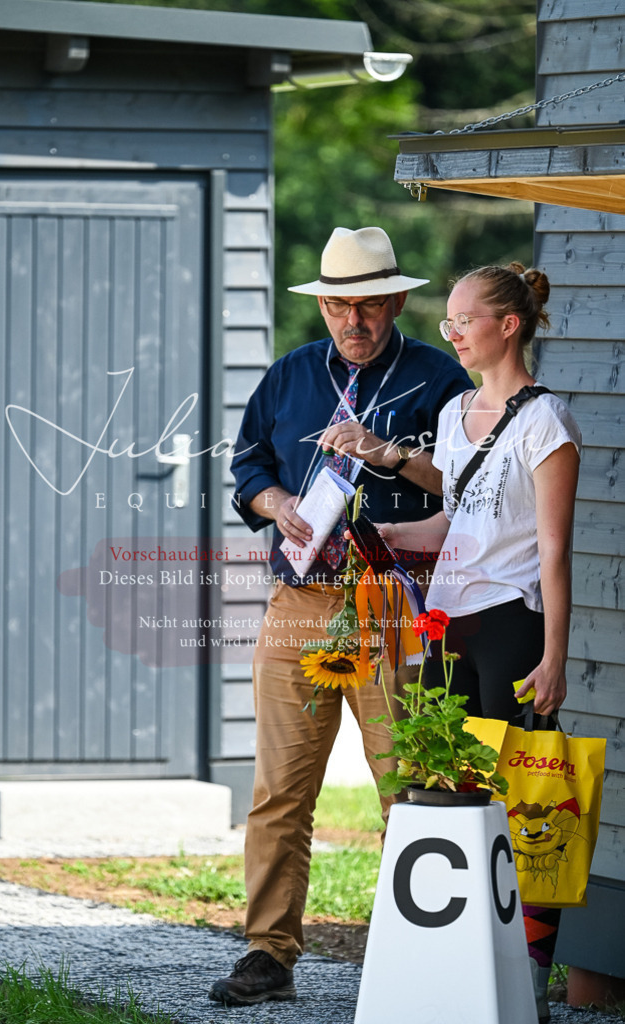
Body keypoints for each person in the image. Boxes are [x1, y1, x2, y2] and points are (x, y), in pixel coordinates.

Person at [208, 226, 471, 1007]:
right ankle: (268, 953)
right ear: (321, 305)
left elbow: (465, 482)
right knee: (280, 789)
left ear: (394, 300)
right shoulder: (290, 374)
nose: (352, 321)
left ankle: (415, 953)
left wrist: (389, 453)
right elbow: (248, 460)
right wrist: (275, 500)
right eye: (336, 307)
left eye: (366, 306)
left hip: (393, 602)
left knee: (408, 785)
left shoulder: (439, 378)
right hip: (300, 601)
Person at [376, 261, 581, 1024]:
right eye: (447, 321)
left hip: (511, 625)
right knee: (449, 790)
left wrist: (553, 654)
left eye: (464, 319)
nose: (452, 332)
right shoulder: (457, 411)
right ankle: (455, 962)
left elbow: (555, 549)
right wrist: (388, 531)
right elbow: (456, 522)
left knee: (525, 800)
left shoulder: (545, 422)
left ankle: (527, 980)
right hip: (449, 622)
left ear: (509, 325)